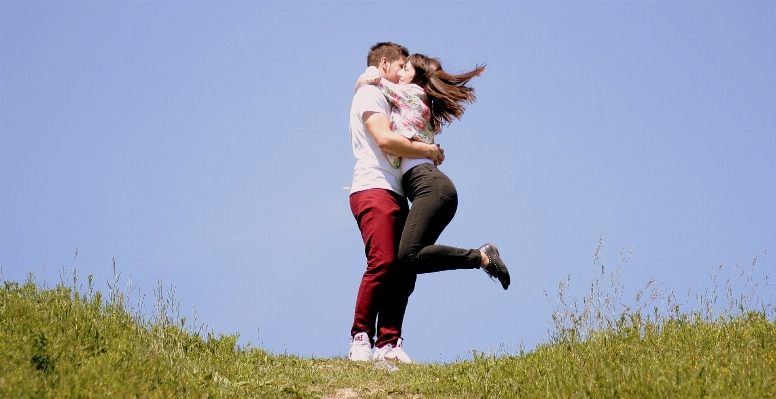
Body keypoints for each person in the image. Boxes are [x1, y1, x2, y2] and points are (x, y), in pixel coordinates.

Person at [356, 54, 511, 362]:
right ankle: (389, 346)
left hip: (430, 187)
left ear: (417, 78)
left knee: (407, 256)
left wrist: (371, 72)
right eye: (399, 69)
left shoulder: (411, 93)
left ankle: (482, 257)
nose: (400, 75)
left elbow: (373, 84)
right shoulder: (417, 97)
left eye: (406, 69)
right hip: (430, 188)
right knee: (406, 262)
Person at [347, 42, 445, 363]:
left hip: (395, 191)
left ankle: (388, 344)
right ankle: (361, 337)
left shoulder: (390, 96)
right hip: (373, 187)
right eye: (400, 66)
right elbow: (385, 139)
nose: (404, 72)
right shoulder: (370, 93)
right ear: (385, 64)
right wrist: (429, 152)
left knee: (404, 267)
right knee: (383, 262)